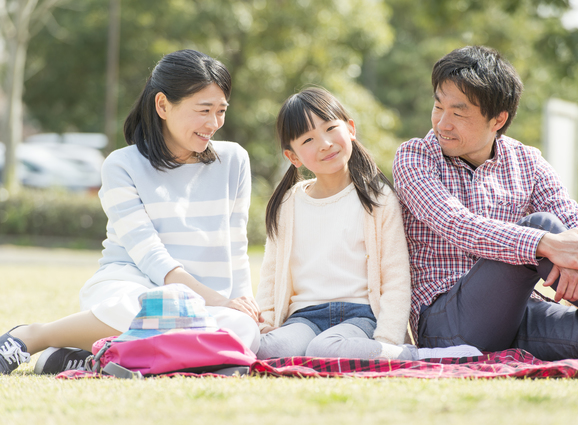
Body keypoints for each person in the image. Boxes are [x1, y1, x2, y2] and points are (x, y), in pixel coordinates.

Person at [0, 49, 261, 375]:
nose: (214, 123)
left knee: (243, 332)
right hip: (130, 286)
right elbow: (152, 257)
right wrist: (218, 302)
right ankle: (35, 335)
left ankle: (101, 354)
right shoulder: (122, 165)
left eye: (221, 111)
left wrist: (243, 304)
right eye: (204, 110)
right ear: (163, 105)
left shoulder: (234, 160)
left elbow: (237, 245)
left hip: (203, 303)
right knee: (150, 308)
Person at [393, 45, 578, 362]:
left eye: (458, 112)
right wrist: (546, 243)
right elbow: (456, 223)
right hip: (448, 325)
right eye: (438, 107)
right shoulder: (415, 157)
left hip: (521, 311)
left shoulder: (527, 161)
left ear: (498, 119)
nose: (442, 123)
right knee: (543, 227)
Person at [255, 87, 481, 361]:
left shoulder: (378, 198)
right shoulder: (288, 204)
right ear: (293, 157)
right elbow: (271, 273)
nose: (325, 143)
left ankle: (411, 355)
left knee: (324, 349)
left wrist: (387, 338)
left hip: (359, 316)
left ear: (350, 128)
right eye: (308, 140)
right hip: (303, 317)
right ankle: (340, 352)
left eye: (330, 128)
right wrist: (266, 321)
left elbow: (396, 276)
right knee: (268, 348)